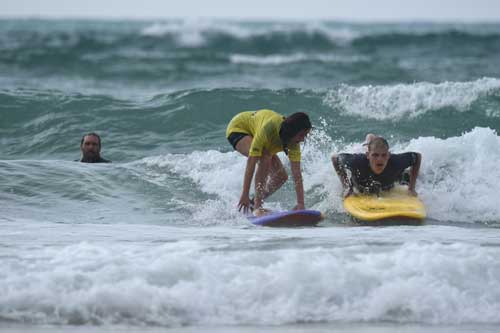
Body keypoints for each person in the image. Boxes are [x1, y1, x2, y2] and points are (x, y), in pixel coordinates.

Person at [226, 109, 312, 216]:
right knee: (264, 157)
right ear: (292, 131)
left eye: (305, 135)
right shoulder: (269, 128)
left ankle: (252, 204)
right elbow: (251, 162)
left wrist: (300, 204)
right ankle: (257, 206)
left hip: (257, 130)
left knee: (281, 176)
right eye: (301, 135)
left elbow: (297, 173)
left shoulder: (294, 143)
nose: (303, 139)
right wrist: (245, 194)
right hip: (239, 128)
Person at [331, 135, 421, 198]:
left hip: (390, 180)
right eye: (375, 155)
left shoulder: (396, 161)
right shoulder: (356, 161)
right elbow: (334, 158)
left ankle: (371, 140)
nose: (379, 159)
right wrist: (347, 187)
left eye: (384, 155)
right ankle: (370, 139)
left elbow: (417, 157)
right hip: (361, 185)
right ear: (367, 155)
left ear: (389, 155)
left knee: (406, 177)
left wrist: (411, 188)